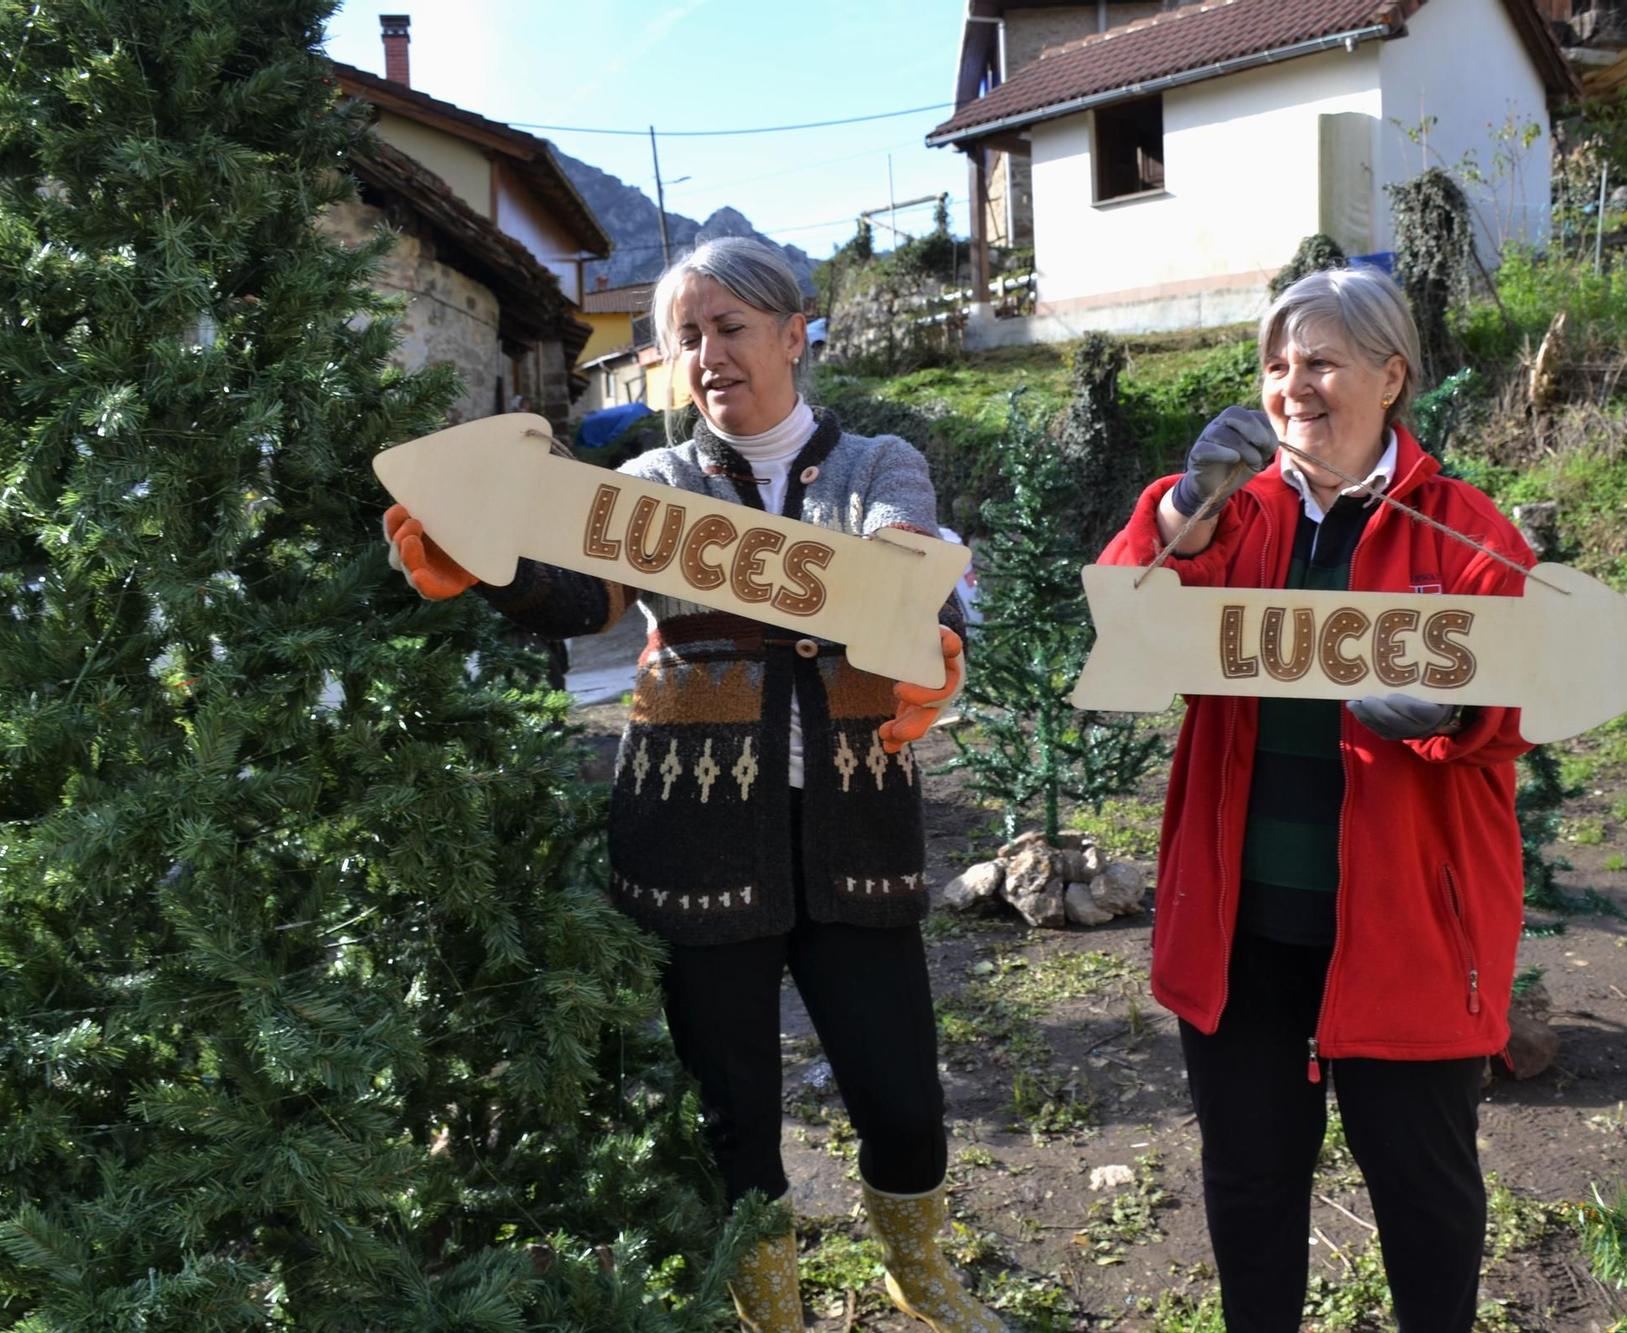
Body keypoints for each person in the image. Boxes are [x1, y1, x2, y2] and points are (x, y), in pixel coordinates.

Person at [382, 237, 1000, 1333]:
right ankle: (769, 1308)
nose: (708, 354)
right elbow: (586, 594)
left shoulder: (876, 461)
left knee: (901, 1096)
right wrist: (486, 564)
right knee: (735, 1109)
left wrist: (925, 619)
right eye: (686, 337)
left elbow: (899, 557)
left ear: (792, 331)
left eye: (730, 327)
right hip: (697, 834)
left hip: (856, 823)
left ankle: (918, 1269)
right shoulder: (654, 486)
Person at [1096, 266, 1535, 1333]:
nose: (1294, 385)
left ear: (1390, 377)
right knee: (1249, 1184)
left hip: (1405, 929)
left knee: (1423, 1198)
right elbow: (1127, 626)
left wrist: (1451, 706)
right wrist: (1185, 509)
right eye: (1276, 363)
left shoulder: (1461, 527)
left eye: (1323, 361)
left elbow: (1518, 703)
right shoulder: (1230, 513)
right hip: (1241, 925)